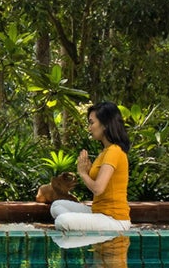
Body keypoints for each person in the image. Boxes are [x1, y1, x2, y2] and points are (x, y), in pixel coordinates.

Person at [50, 101, 131, 236]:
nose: (89, 128)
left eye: (92, 123)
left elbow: (98, 188)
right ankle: (83, 228)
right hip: (98, 213)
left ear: (105, 125)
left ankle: (79, 228)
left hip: (114, 220)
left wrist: (83, 174)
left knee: (62, 220)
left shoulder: (114, 151)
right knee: (56, 206)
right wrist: (87, 172)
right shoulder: (105, 152)